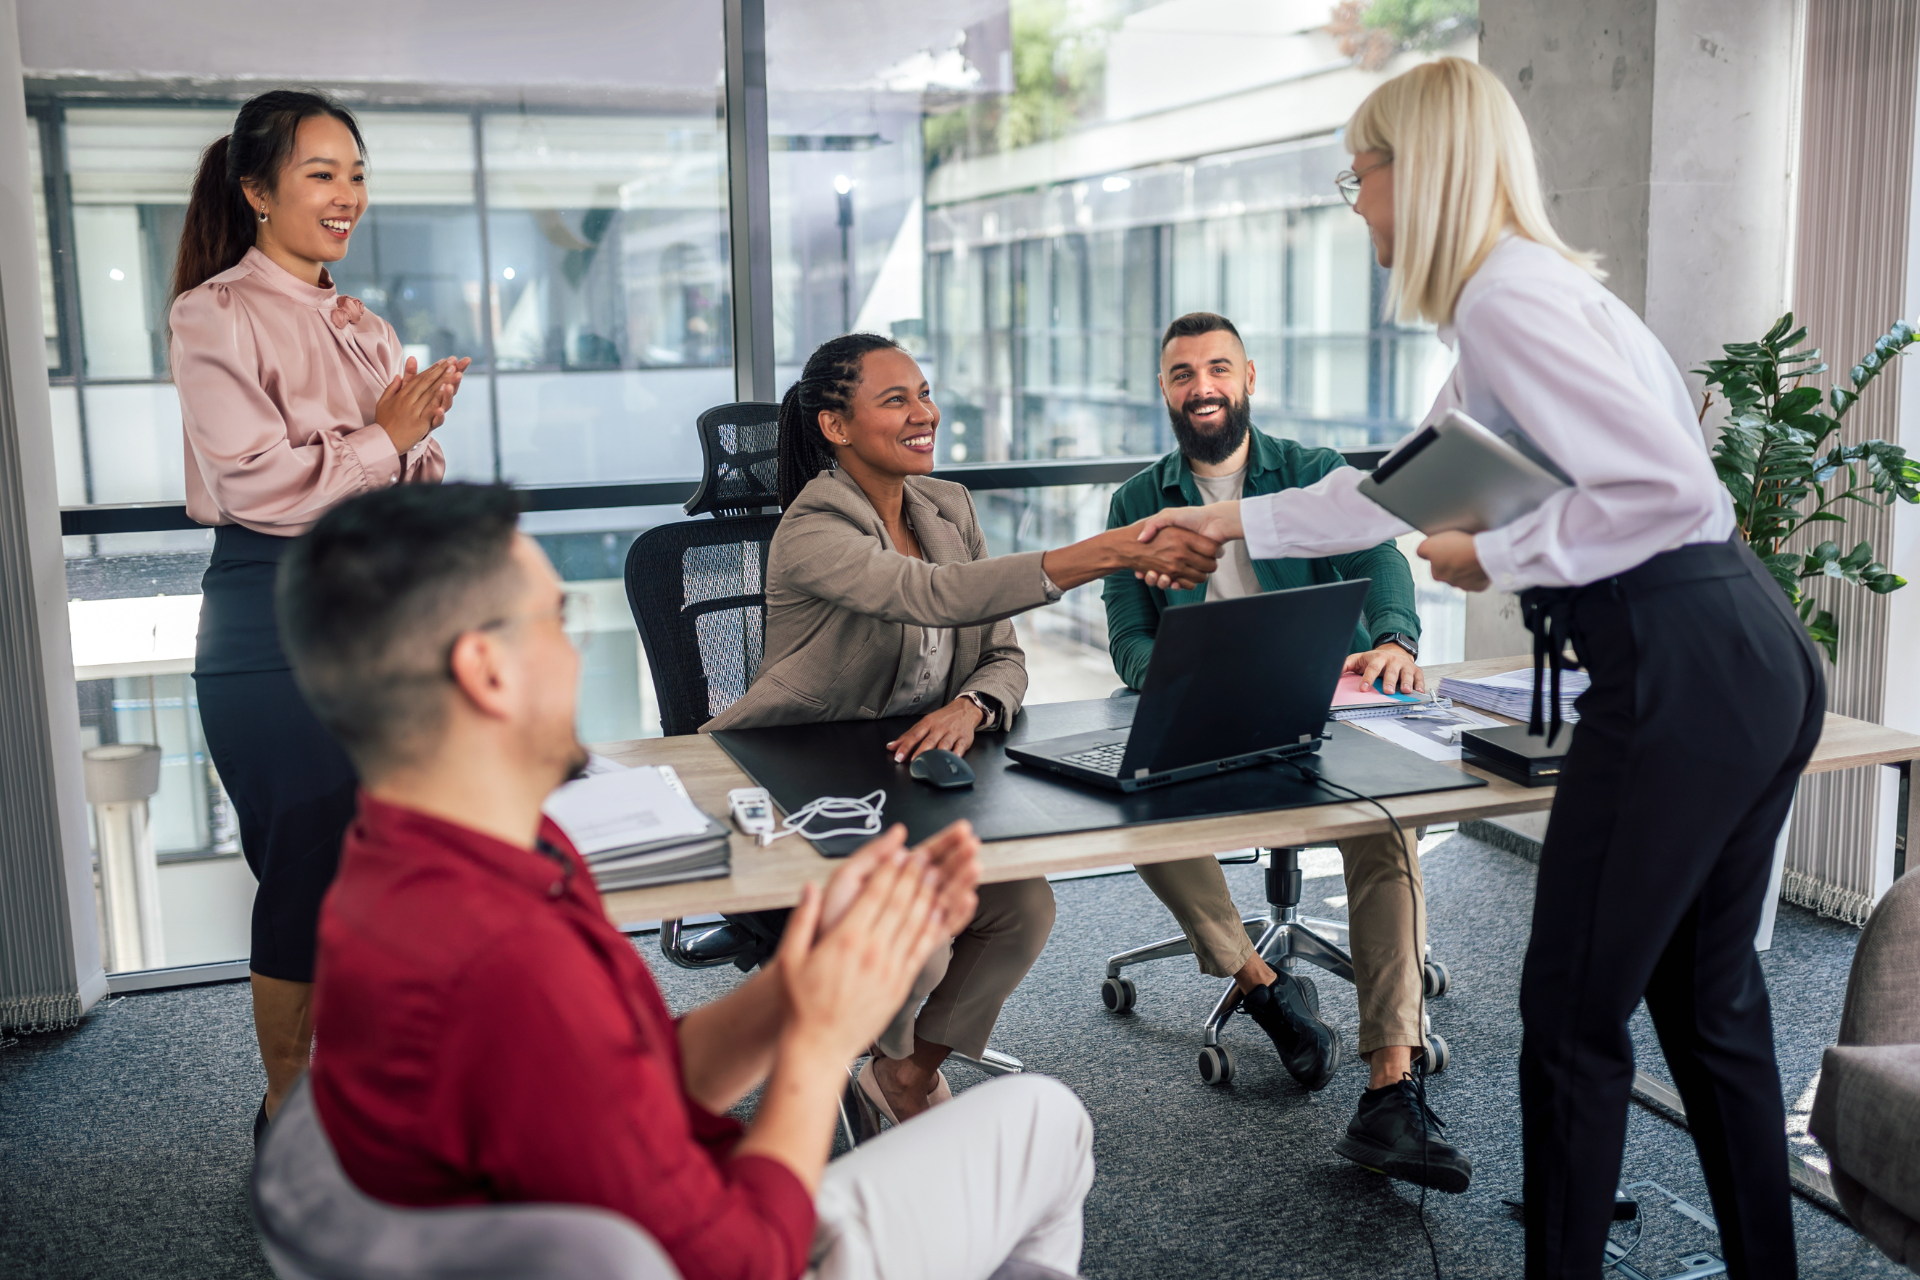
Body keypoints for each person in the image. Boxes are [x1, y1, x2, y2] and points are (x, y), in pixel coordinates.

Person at [1138, 58, 1822, 1280]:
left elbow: (1660, 492)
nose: (1361, 206)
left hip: (1674, 661)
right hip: (1748, 650)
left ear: (1425, 167)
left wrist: (1487, 549)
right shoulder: (1533, 295)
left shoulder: (1511, 299)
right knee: (1707, 1008)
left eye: (1364, 175)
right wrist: (1232, 523)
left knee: (1569, 1015)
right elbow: (1394, 484)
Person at [284, 483, 1096, 1280]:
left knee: (1033, 1124)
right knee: (1048, 1123)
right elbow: (744, 1259)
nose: (580, 649)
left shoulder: (424, 860)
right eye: (557, 622)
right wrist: (818, 1045)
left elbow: (633, 1084)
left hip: (661, 1210)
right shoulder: (504, 960)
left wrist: (801, 983)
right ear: (486, 670)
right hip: (729, 1245)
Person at [703, 332, 1222, 1124]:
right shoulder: (814, 527)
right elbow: (935, 596)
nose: (926, 414)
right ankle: (853, 1081)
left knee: (1025, 906)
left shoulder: (946, 505)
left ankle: (902, 1075)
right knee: (929, 933)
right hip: (802, 780)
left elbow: (1003, 653)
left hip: (912, 779)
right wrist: (1106, 552)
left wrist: (972, 705)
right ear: (837, 427)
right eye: (897, 400)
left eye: (925, 393)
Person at [1102, 308, 1469, 1193]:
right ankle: (1263, 985)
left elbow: (1381, 552)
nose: (1203, 387)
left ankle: (1390, 1083)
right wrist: (1190, 672)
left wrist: (1394, 640)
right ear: (1165, 388)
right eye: (1183, 373)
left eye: (1218, 368)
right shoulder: (1134, 504)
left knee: (1386, 830)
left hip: (1318, 707)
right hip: (1206, 716)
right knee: (1144, 808)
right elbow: (1127, 643)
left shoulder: (1307, 475)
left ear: (1248, 378)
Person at [168, 88, 473, 1137]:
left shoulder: (366, 324)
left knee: (384, 860)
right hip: (269, 614)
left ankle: (368, 1094)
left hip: (372, 607)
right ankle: (291, 1115)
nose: (348, 195)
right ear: (255, 190)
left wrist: (419, 436)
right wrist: (385, 440)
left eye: (356, 173)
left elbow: (388, 487)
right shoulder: (213, 314)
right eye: (320, 173)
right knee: (306, 866)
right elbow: (257, 487)